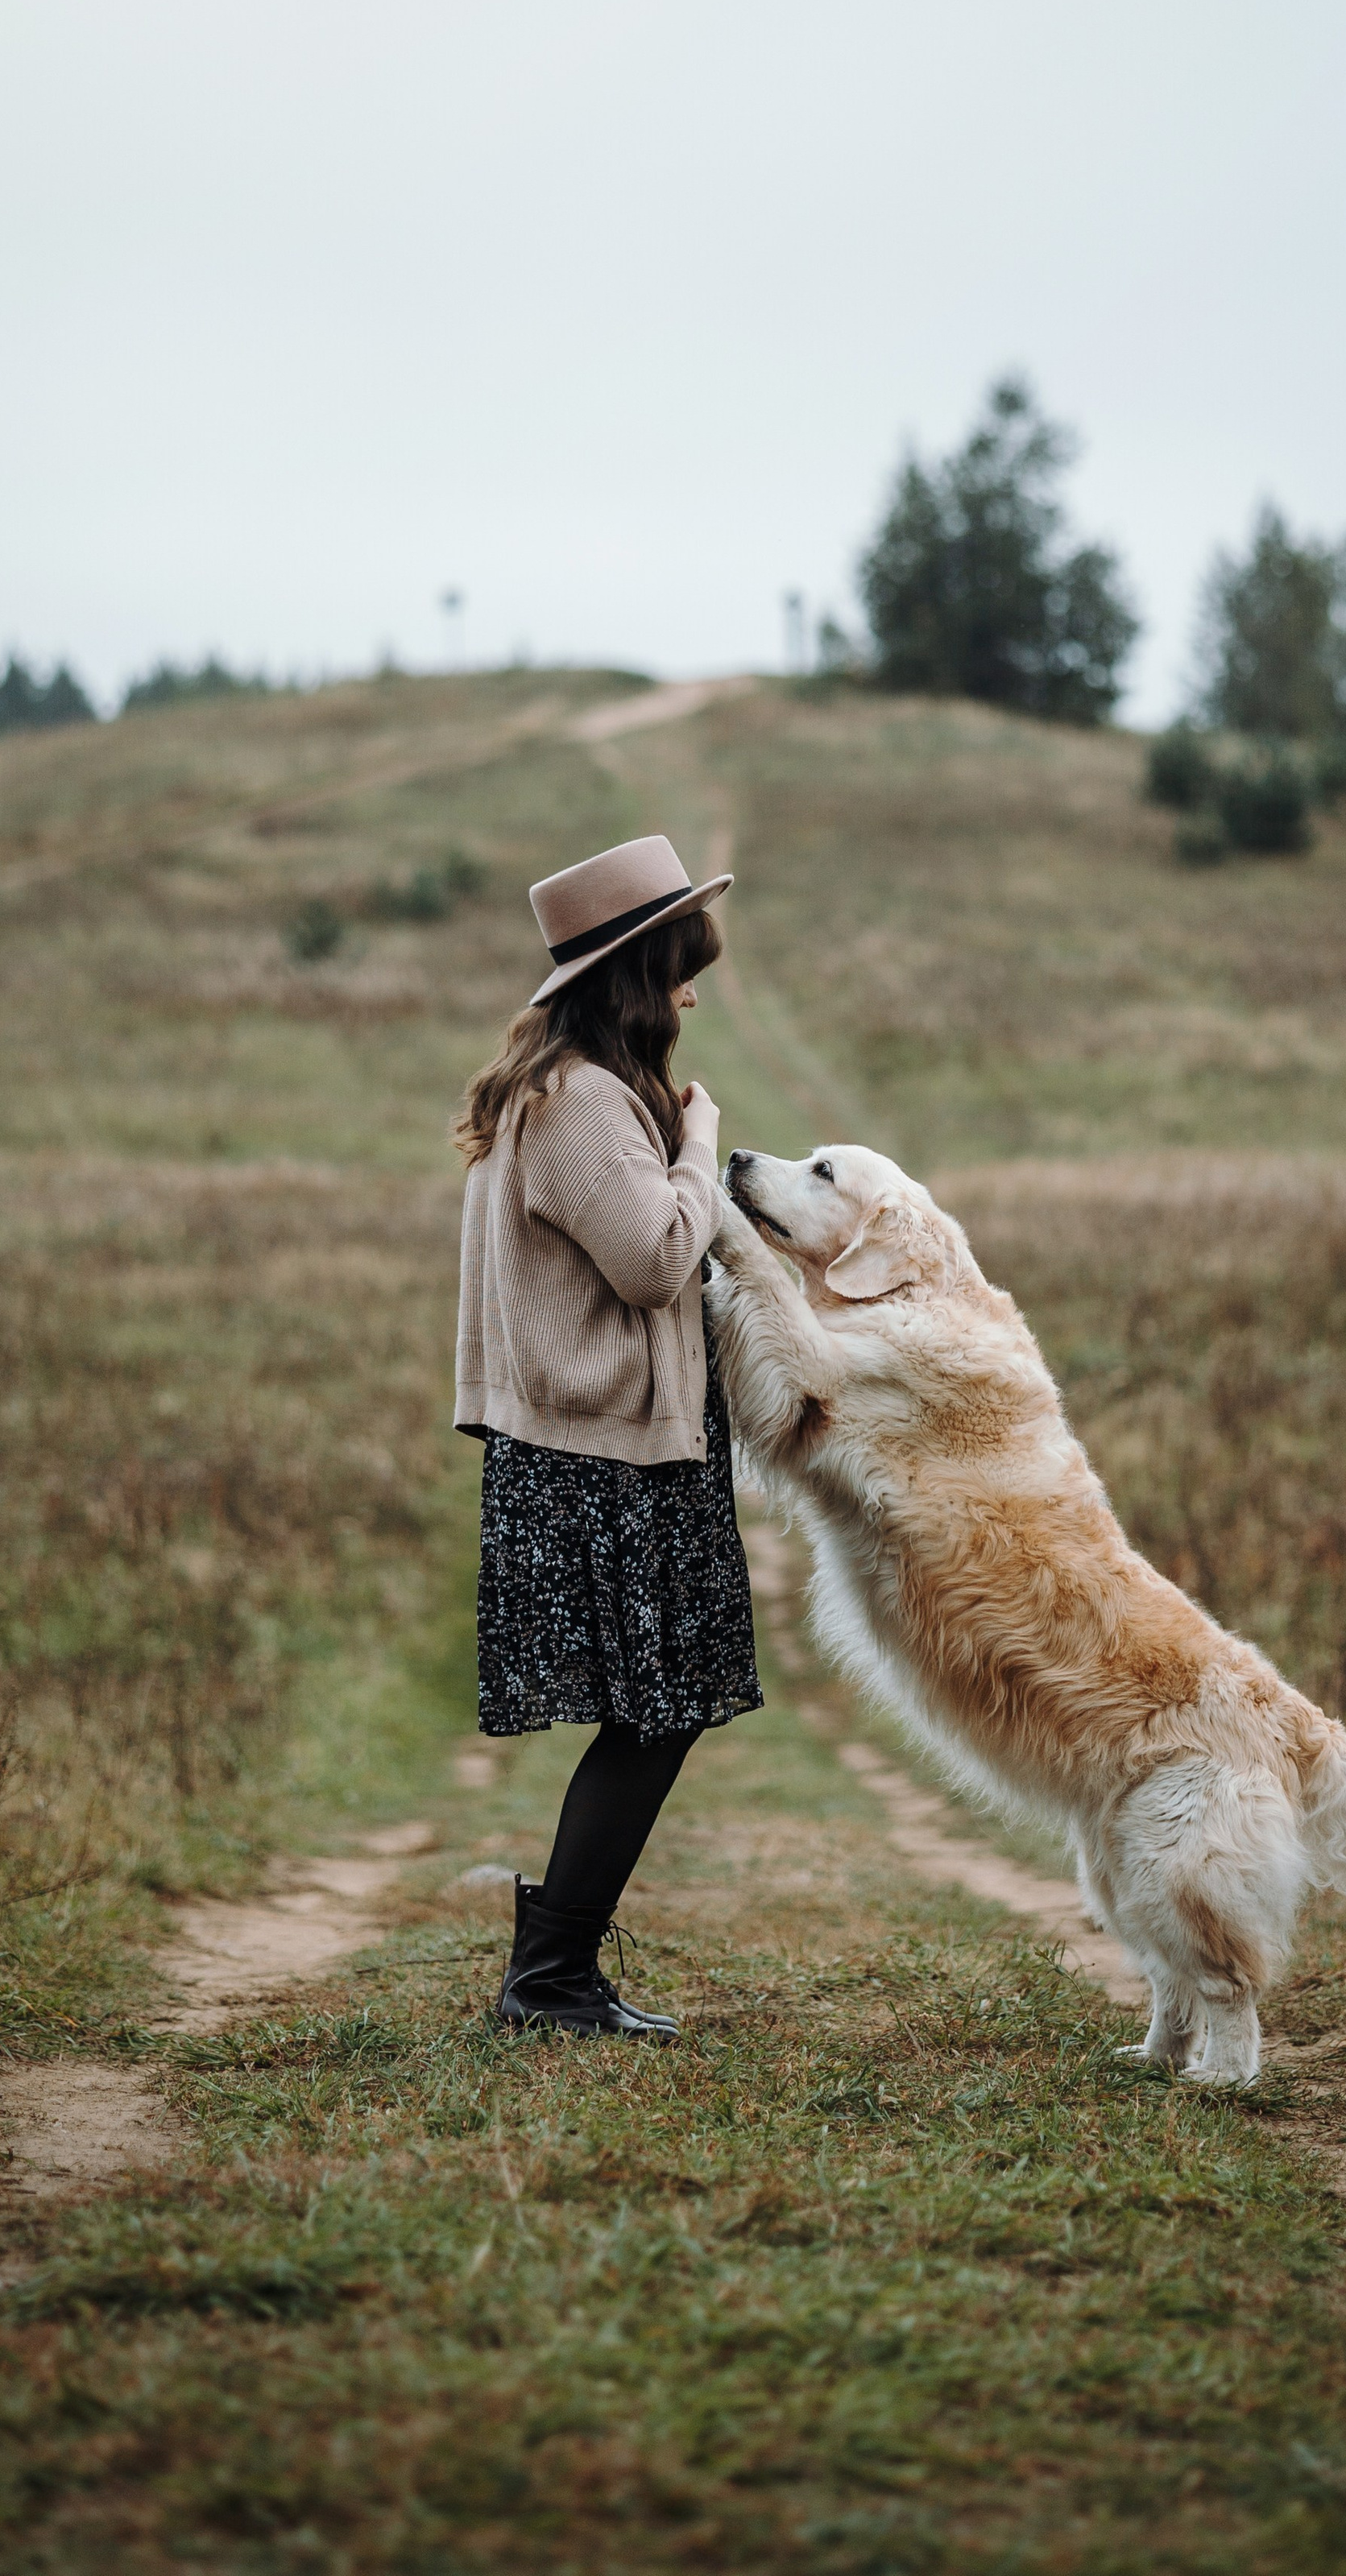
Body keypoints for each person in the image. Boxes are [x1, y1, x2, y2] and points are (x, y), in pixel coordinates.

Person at [452, 832, 761, 2037]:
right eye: (683, 969)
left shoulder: (570, 1090)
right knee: (656, 1707)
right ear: (637, 976)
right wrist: (698, 1148)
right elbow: (654, 1260)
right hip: (604, 1461)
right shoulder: (582, 1101)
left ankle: (555, 1971)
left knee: (658, 1707)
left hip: (599, 1453)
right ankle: (548, 1979)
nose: (690, 995)